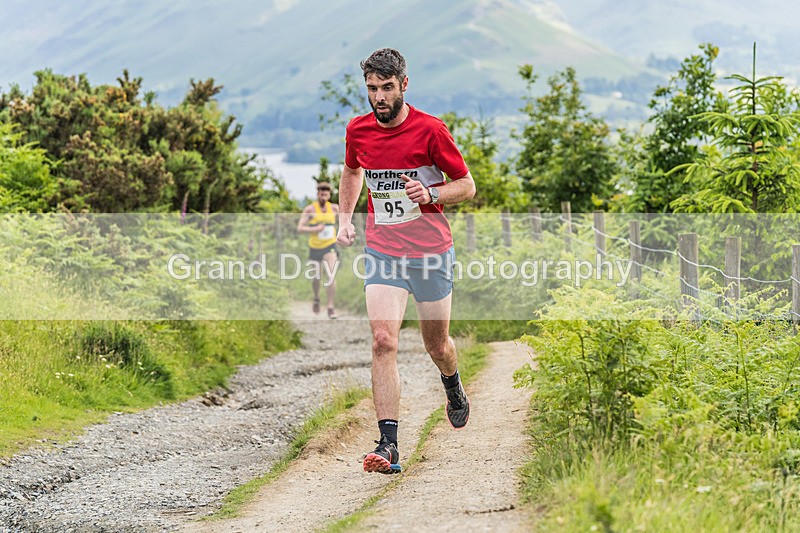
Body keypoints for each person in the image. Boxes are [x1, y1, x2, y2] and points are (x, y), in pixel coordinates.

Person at [336, 48, 477, 474]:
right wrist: (345, 219)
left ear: (404, 86)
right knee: (383, 340)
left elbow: (466, 185)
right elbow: (352, 171)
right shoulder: (358, 130)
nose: (378, 97)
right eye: (372, 89)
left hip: (431, 252)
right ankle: (389, 444)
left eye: (386, 88)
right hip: (383, 251)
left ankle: (452, 385)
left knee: (437, 345)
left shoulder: (431, 130)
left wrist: (431, 194)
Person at [297, 181, 339, 319]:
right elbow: (300, 228)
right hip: (315, 247)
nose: (323, 197)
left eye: (326, 195)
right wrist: (314, 229)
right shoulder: (310, 209)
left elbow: (345, 221)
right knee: (316, 277)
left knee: (331, 275)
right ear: (317, 194)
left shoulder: (334, 209)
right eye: (321, 194)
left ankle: (330, 307)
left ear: (329, 195)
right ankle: (316, 298)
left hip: (330, 246)